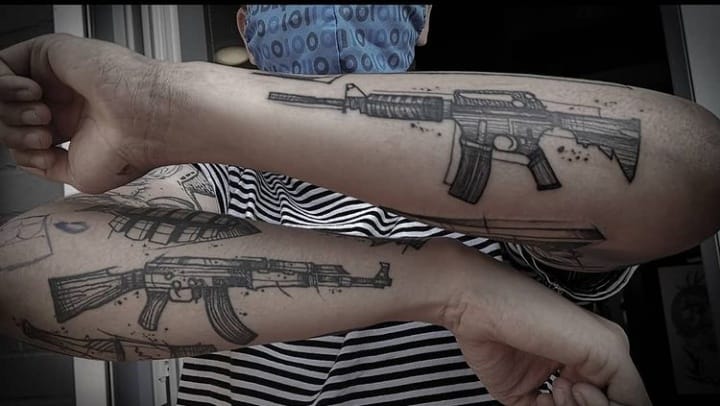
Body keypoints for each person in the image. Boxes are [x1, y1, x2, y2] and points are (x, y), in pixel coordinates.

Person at [1, 4, 719, 405]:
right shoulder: (216, 182)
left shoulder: (495, 191)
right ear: (249, 24)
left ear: (423, 18)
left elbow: (694, 171)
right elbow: (19, 275)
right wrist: (448, 287)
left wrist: (172, 105)